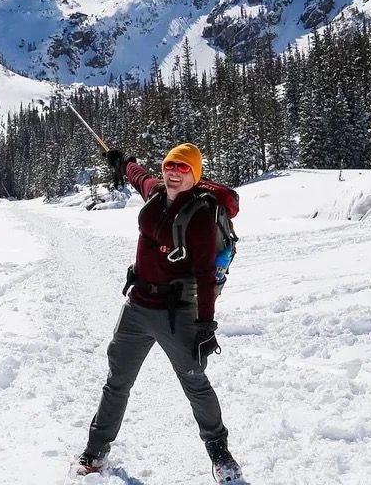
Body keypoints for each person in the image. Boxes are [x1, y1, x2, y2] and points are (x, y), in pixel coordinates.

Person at [72, 143, 243, 483]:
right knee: (117, 382)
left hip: (176, 313)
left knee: (195, 384)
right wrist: (124, 162)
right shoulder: (155, 192)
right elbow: (139, 177)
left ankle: (221, 454)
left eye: (183, 168)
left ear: (195, 174)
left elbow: (207, 276)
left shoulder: (201, 216)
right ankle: (95, 453)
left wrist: (206, 325)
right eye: (170, 166)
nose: (173, 172)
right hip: (137, 308)